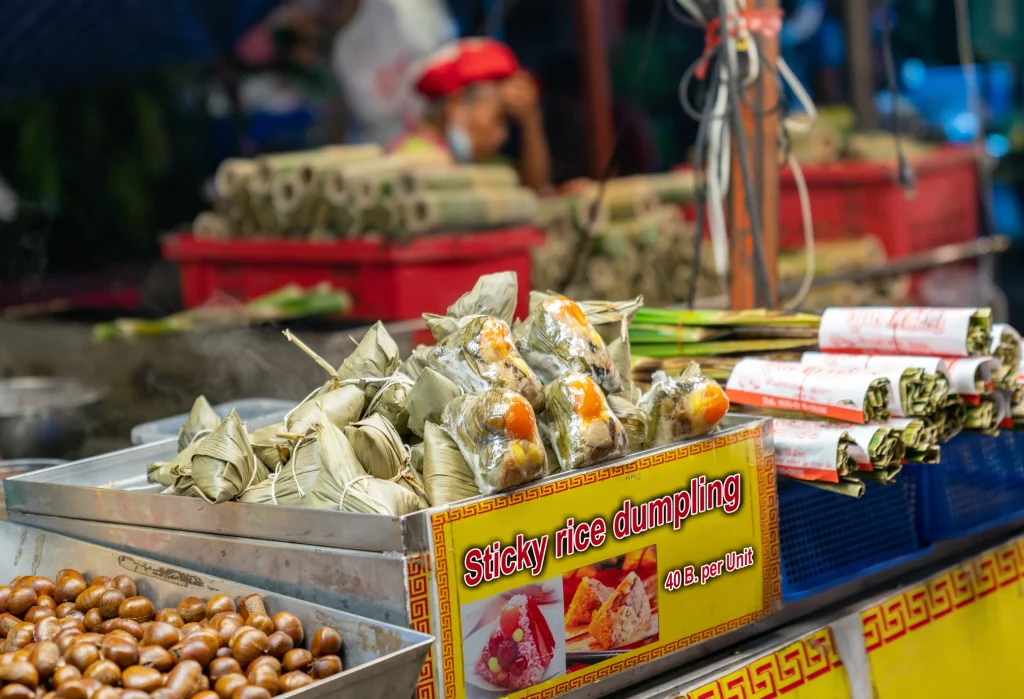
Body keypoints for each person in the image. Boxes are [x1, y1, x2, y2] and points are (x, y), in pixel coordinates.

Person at [389, 38, 552, 192]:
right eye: (498, 119)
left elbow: (533, 191)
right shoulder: (418, 161)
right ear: (456, 104)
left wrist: (531, 122)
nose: (502, 136)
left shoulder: (476, 162)